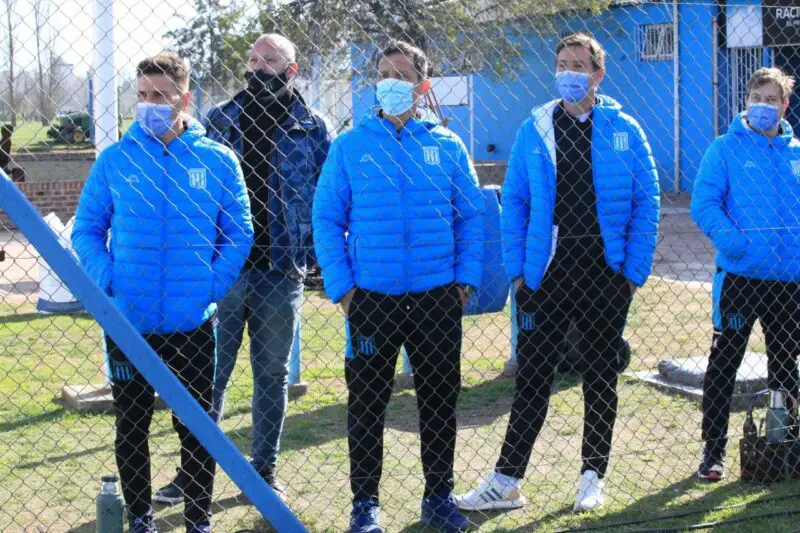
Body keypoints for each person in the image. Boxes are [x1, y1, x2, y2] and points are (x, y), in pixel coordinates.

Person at [456, 32, 660, 513]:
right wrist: (519, 274)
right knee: (533, 379)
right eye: (563, 64)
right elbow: (517, 204)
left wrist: (631, 273)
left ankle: (593, 476)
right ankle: (506, 482)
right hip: (545, 277)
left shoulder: (625, 129)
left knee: (600, 378)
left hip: (605, 277)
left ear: (598, 74)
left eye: (579, 65)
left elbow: (646, 201)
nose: (570, 72)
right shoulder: (536, 128)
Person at [72, 52, 253, 533]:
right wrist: (109, 280)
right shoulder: (116, 159)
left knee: (197, 425)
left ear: (184, 98)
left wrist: (210, 287)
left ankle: (198, 519)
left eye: (160, 96)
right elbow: (87, 229)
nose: (149, 104)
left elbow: (238, 232)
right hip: (129, 322)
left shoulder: (217, 160)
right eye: (142, 96)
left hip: (194, 321)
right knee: (131, 422)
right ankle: (141, 519)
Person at [313, 40, 484, 533]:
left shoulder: (447, 145)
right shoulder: (350, 146)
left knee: (438, 399)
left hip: (437, 297)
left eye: (401, 74)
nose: (390, 82)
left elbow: (471, 217)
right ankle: (365, 504)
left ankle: (439, 498)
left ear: (422, 85)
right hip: (371, 300)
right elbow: (326, 219)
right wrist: (344, 289)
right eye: (383, 74)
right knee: (367, 402)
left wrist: (465, 283)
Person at [154, 34, 333, 504]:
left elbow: (326, 198)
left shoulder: (314, 128)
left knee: (271, 375)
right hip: (222, 270)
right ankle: (194, 471)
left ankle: (263, 470)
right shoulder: (219, 120)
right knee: (209, 374)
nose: (256, 67)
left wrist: (314, 258)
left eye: (268, 60)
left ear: (291, 70)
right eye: (252, 59)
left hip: (281, 270)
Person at [691, 67, 800, 482]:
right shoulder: (724, 148)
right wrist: (737, 245)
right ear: (746, 101)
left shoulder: (796, 152)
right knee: (724, 364)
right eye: (756, 97)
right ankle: (713, 452)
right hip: (739, 279)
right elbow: (704, 204)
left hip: (789, 283)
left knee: (785, 367)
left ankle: (783, 443)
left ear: (785, 105)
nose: (763, 105)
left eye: (772, 99)